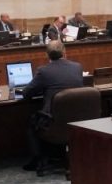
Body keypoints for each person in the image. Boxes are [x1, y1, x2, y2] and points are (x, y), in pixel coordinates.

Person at [22, 41, 84, 173]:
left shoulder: (44, 71)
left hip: (54, 122)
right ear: (64, 52)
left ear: (47, 55)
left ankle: (37, 160)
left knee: (31, 122)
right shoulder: (77, 67)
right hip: (78, 119)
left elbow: (26, 93)